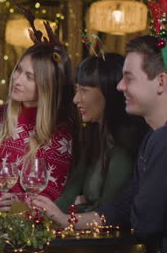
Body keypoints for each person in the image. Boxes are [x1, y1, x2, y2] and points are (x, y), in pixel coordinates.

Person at [34, 35, 167, 251]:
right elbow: (120, 209)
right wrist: (67, 219)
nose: (120, 86)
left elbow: (144, 222)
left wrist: (81, 209)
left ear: (160, 82)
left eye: (129, 78)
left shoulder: (159, 140)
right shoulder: (152, 139)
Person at [30, 53, 147, 224]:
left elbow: (108, 212)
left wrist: (74, 211)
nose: (76, 99)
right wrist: (40, 217)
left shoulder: (124, 145)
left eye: (84, 91)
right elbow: (69, 195)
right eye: (77, 90)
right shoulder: (94, 137)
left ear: (110, 92)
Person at [0, 36, 79, 213]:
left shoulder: (60, 131)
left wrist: (20, 204)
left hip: (29, 227)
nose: (17, 80)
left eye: (29, 77)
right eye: (19, 70)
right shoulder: (2, 115)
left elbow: (53, 194)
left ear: (47, 86)